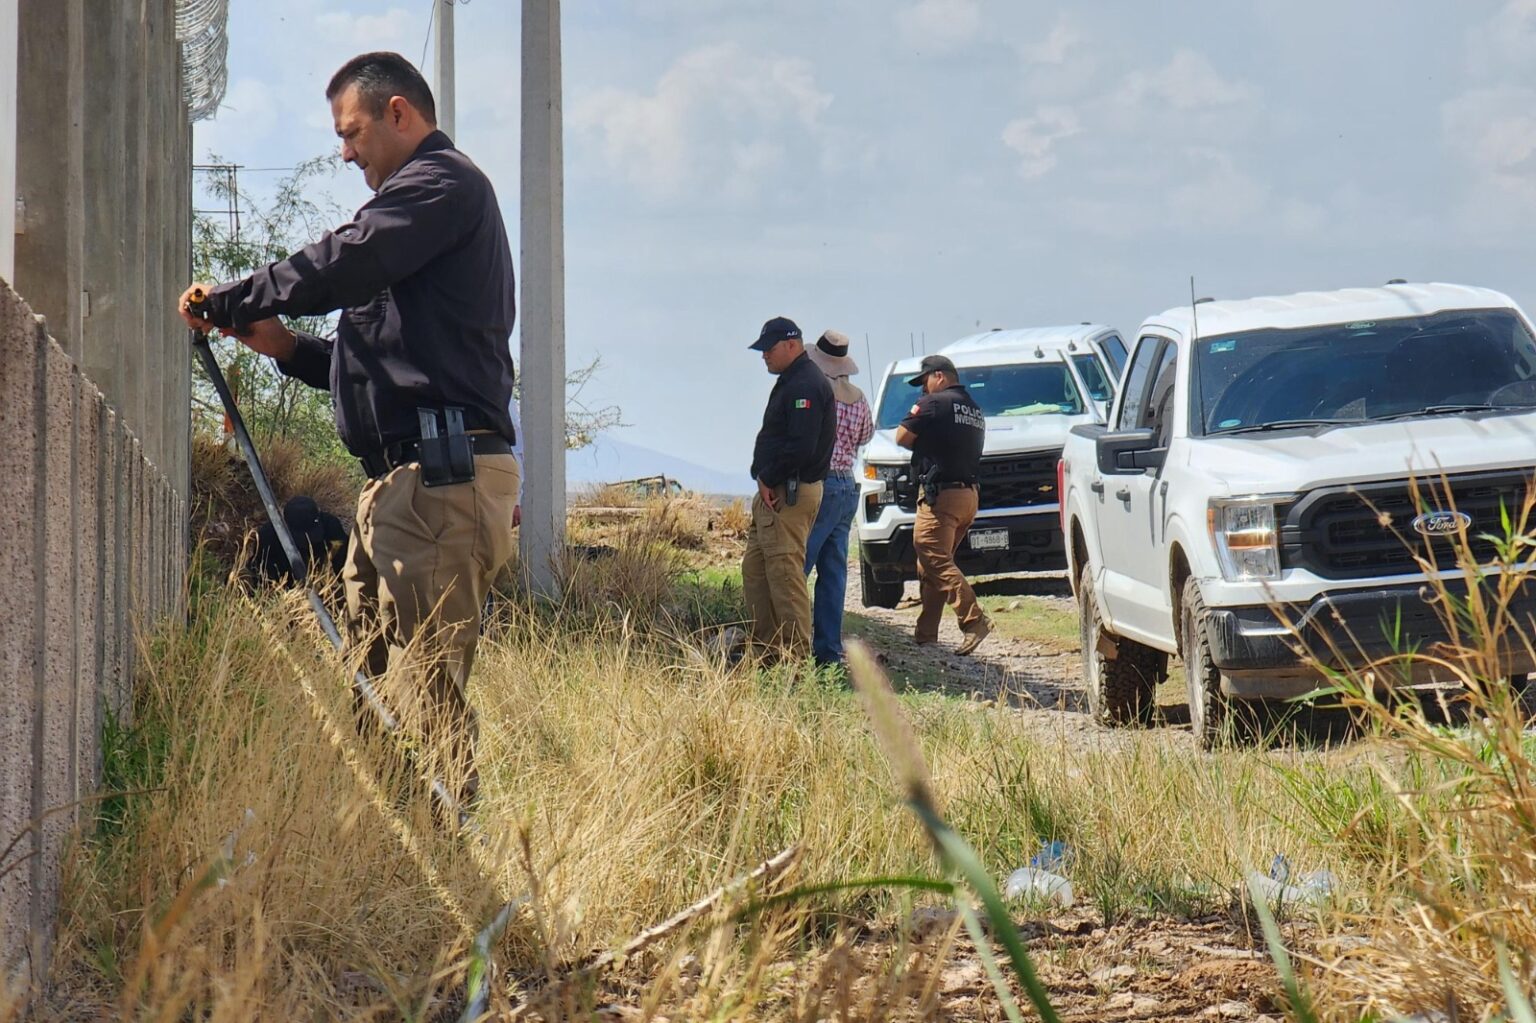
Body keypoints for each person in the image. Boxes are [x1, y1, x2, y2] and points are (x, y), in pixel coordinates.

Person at [178, 51, 519, 811]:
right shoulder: (420, 219)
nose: (344, 152)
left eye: (351, 132)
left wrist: (235, 298)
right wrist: (287, 348)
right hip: (407, 484)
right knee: (377, 686)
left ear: (400, 113)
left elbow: (346, 260)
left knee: (424, 686)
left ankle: (449, 850)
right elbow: (381, 366)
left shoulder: (440, 185)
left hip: (437, 482)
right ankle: (399, 852)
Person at [742, 317, 837, 662]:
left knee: (784, 576)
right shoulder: (794, 381)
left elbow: (801, 446)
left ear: (792, 345)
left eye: (769, 348)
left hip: (788, 492)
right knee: (756, 572)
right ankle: (766, 653)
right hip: (776, 491)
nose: (764, 355)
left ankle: (795, 662)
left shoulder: (805, 385)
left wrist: (769, 475)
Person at [896, 354, 991, 655]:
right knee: (932, 565)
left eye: (924, 381)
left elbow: (901, 437)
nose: (923, 389)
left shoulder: (934, 403)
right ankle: (925, 635)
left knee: (930, 552)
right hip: (968, 496)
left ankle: (973, 620)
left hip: (942, 496)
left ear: (939, 375)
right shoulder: (973, 408)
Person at [802, 330, 874, 667]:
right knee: (833, 573)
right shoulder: (858, 398)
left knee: (798, 566)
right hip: (848, 483)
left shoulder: (820, 393)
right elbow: (866, 436)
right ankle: (828, 651)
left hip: (823, 483)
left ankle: (789, 639)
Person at [249, 495, 349, 586]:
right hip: (284, 575)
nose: (306, 543)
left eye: (310, 536)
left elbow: (345, 563)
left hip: (317, 567)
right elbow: (260, 574)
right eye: (302, 538)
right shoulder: (268, 536)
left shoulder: (331, 526)